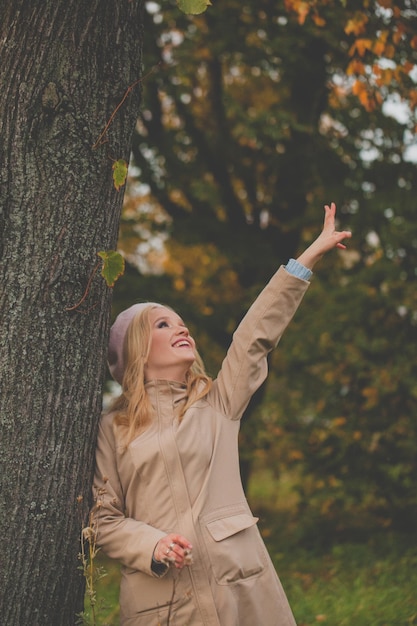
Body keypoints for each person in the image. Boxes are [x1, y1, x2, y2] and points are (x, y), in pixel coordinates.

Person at [92, 203, 351, 625]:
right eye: (162, 325)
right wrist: (151, 544)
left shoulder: (217, 403)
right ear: (135, 351)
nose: (181, 328)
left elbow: (254, 337)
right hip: (163, 605)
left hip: (242, 593)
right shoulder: (111, 428)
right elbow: (102, 520)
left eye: (181, 322)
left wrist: (307, 259)